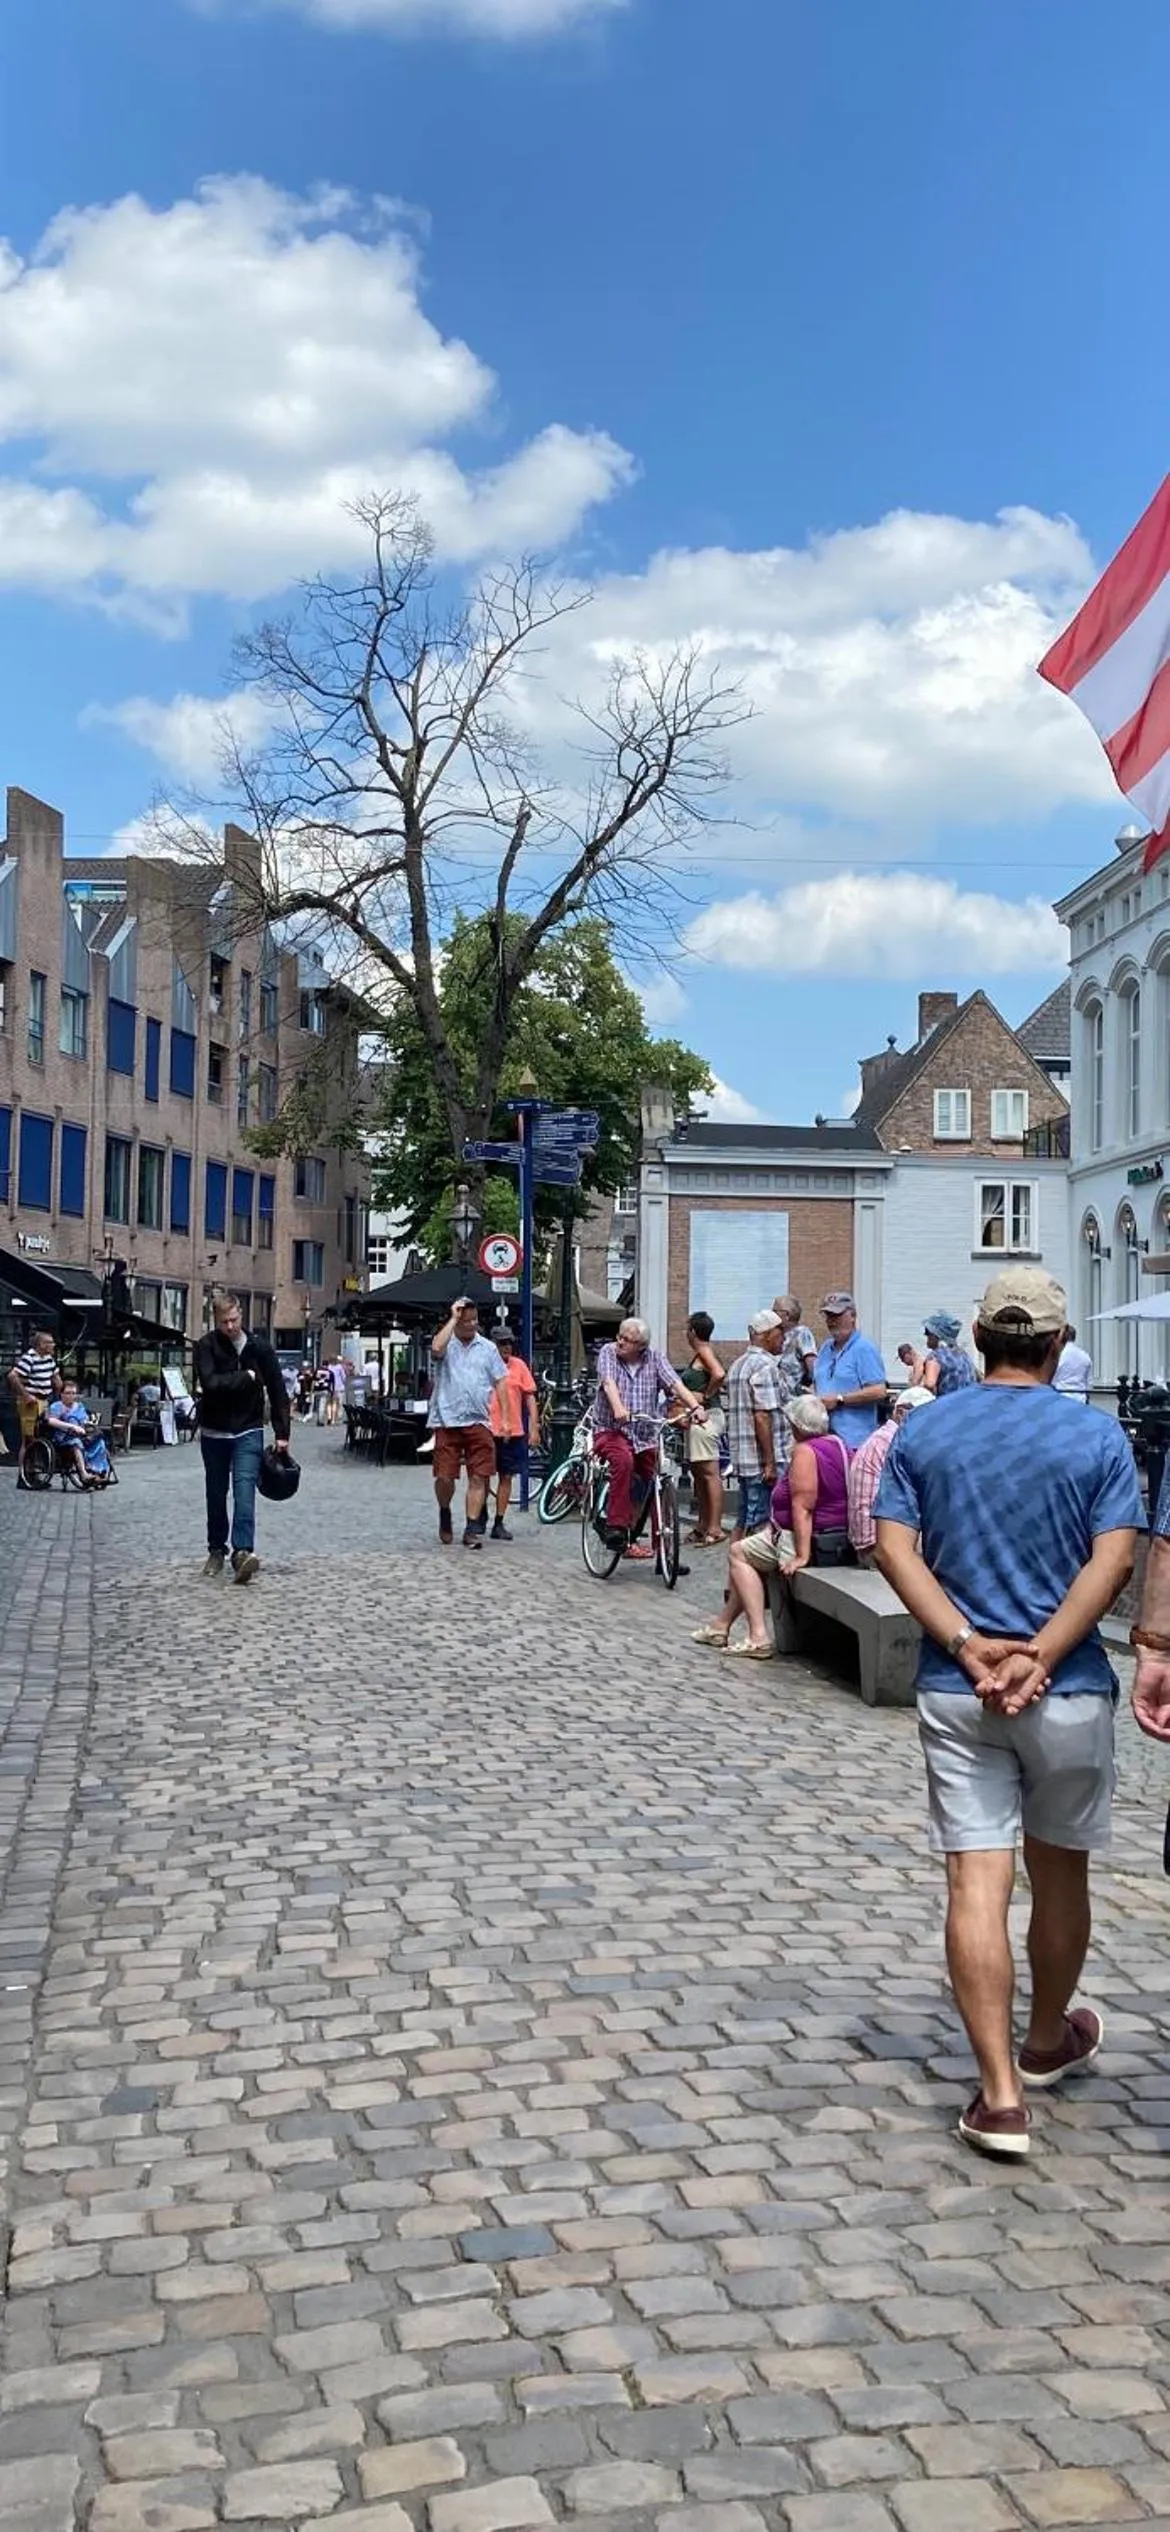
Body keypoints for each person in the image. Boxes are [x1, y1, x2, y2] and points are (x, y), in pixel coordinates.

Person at [874, 1267, 1142, 2162]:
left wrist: (966, 1642)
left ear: (980, 1342)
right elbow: (1113, 1563)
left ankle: (996, 2098)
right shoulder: (1097, 1438)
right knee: (1062, 1876)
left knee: (974, 1886)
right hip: (1064, 1691)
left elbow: (891, 1547)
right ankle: (1044, 2039)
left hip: (962, 1690)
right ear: (1060, 1346)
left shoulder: (928, 1429)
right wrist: (1044, 1652)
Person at [692, 1395, 851, 1657]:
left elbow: (803, 1507)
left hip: (804, 1539)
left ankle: (758, 1635)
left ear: (797, 1426)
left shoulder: (805, 1451)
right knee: (753, 1555)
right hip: (831, 1535)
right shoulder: (838, 1444)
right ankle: (720, 1626)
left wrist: (801, 1555)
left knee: (739, 1553)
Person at [194, 1290, 292, 1584]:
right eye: (224, 1322)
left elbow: (277, 1390)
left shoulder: (260, 1348)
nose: (230, 1327)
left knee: (244, 1490)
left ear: (241, 1315)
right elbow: (210, 1384)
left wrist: (282, 1432)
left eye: (234, 1320)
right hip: (214, 1430)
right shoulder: (205, 1347)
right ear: (216, 1320)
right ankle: (215, 1548)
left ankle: (242, 1551)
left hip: (248, 1428)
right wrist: (247, 1378)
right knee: (215, 1492)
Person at [593, 1317, 706, 1558]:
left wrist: (695, 1407)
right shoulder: (608, 1353)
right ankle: (616, 1527)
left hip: (644, 1434)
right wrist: (618, 1408)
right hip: (611, 1430)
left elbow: (675, 1384)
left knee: (657, 1480)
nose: (620, 1342)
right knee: (623, 1460)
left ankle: (665, 1553)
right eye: (620, 1336)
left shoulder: (654, 1358)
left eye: (627, 1340)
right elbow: (608, 1382)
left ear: (641, 1346)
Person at [430, 1297, 510, 1549]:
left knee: (479, 1475)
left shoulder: (487, 1348)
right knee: (445, 1477)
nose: (472, 1325)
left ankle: (471, 1528)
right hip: (447, 1418)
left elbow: (501, 1381)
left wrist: (506, 1418)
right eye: (466, 1321)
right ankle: (445, 1512)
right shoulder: (447, 1342)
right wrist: (453, 1318)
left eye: (475, 1320)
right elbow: (435, 1348)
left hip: (479, 1420)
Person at [847, 1384, 933, 1561]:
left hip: (875, 1540)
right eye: (923, 1416)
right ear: (900, 1412)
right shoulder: (895, 1443)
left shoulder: (883, 1438)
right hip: (880, 1545)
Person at [724, 1310, 787, 1537]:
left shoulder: (737, 1365)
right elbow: (762, 1415)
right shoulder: (765, 1366)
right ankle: (752, 1570)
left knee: (743, 1520)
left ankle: (736, 1568)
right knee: (760, 1524)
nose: (784, 1338)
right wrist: (769, 1462)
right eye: (780, 1332)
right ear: (767, 1334)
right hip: (761, 1460)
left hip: (743, 1458)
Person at [814, 1292, 887, 1449]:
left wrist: (840, 1399)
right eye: (828, 1316)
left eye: (837, 1315)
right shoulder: (825, 1348)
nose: (832, 1321)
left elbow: (879, 1391)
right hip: (824, 1438)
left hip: (854, 1442)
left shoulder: (864, 1349)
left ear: (853, 1316)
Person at [488, 1330, 539, 1540]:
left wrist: (534, 1427)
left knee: (506, 1476)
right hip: (488, 1428)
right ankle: (477, 1516)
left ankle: (498, 1521)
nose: (506, 1347)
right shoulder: (486, 1365)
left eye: (509, 1343)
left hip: (513, 1430)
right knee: (480, 1476)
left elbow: (530, 1397)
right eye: (502, 1343)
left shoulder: (519, 1366)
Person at [681, 1311, 727, 1546]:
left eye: (687, 1329)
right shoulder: (701, 1353)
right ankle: (702, 1525)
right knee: (699, 1473)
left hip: (706, 1417)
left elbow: (719, 1374)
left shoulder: (704, 1351)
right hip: (700, 1419)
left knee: (709, 1472)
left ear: (693, 1332)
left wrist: (706, 1396)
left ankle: (714, 1527)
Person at [8, 1327, 60, 1488]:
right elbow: (12, 1376)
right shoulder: (29, 1357)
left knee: (39, 1438)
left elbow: (55, 1377)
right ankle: (23, 1476)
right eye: (49, 1342)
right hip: (31, 1402)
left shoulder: (49, 1359)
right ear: (40, 1345)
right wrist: (25, 1395)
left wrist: (57, 1382)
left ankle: (33, 1474)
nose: (53, 1345)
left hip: (43, 1401)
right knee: (28, 1440)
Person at [46, 1380, 98, 1488]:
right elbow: (51, 1421)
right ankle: (83, 1474)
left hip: (80, 1434)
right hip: (63, 1437)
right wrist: (71, 1426)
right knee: (76, 1443)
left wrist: (88, 1425)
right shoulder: (56, 1406)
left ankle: (99, 1470)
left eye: (73, 1393)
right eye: (68, 1393)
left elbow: (84, 1420)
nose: (71, 1396)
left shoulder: (79, 1406)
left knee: (97, 1441)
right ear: (62, 1394)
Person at [921, 1310, 978, 1397]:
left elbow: (930, 1384)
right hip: (968, 1404)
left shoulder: (935, 1357)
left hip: (946, 1406)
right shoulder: (963, 1355)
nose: (925, 1335)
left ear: (936, 1335)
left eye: (927, 1332)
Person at [773, 1296, 817, 1397]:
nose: (772, 1315)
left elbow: (811, 1363)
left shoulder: (801, 1333)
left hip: (794, 1397)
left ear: (787, 1315)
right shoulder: (778, 1335)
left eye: (775, 1311)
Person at [1054, 1324, 1094, 1403]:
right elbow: (1089, 1381)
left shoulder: (1059, 1355)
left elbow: (1053, 1377)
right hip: (1080, 1397)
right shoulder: (1084, 1355)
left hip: (1061, 1396)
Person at [328, 1358, 347, 1424]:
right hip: (340, 1387)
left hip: (331, 1388)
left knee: (331, 1403)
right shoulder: (340, 1367)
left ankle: (330, 1417)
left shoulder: (329, 1367)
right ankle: (338, 1417)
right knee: (339, 1403)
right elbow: (343, 1377)